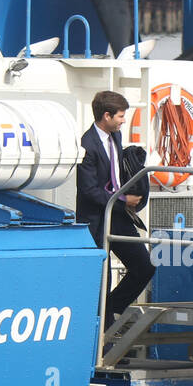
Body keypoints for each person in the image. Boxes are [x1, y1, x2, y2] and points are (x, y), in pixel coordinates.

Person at [75, 90, 154, 329]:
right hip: (98, 220)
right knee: (103, 277)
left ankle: (111, 309)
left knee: (144, 267)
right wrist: (122, 201)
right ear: (106, 116)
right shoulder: (87, 144)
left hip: (117, 216)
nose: (123, 120)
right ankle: (104, 339)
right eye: (120, 116)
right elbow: (89, 191)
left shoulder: (115, 137)